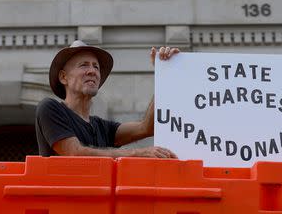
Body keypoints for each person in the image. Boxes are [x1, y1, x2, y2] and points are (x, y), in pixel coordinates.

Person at [35, 40, 179, 158]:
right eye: (84, 65)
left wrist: (164, 75)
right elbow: (75, 153)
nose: (92, 71)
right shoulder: (49, 108)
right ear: (63, 77)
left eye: (96, 67)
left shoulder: (102, 127)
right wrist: (137, 153)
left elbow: (147, 127)